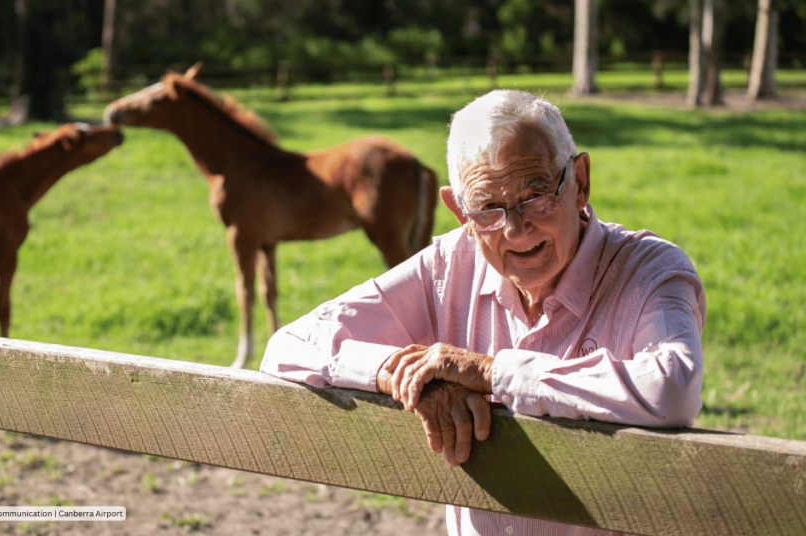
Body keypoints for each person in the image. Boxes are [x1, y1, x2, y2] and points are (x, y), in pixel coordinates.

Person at [260, 89, 706, 536]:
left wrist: (494, 374)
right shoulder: (449, 265)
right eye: (489, 208)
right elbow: (290, 345)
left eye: (535, 194)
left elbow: (672, 387)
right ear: (460, 213)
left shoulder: (651, 270)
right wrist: (401, 374)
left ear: (580, 182)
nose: (515, 227)